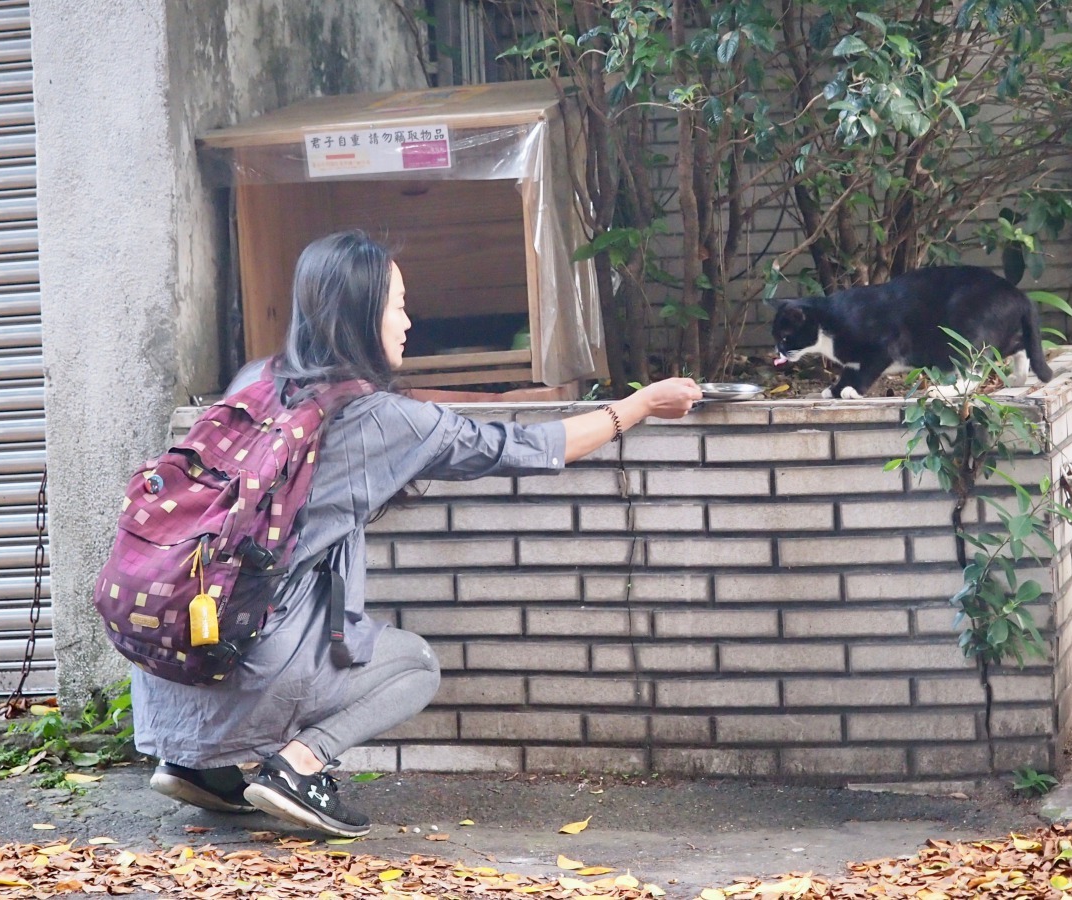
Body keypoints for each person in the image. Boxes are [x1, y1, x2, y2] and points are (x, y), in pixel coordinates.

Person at [134, 230, 702, 837]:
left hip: (179, 648)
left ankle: (198, 767)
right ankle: (297, 768)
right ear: (359, 313)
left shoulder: (257, 379)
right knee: (415, 664)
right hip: (252, 659)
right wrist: (636, 406)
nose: (409, 320)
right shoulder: (385, 419)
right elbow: (531, 446)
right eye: (397, 304)